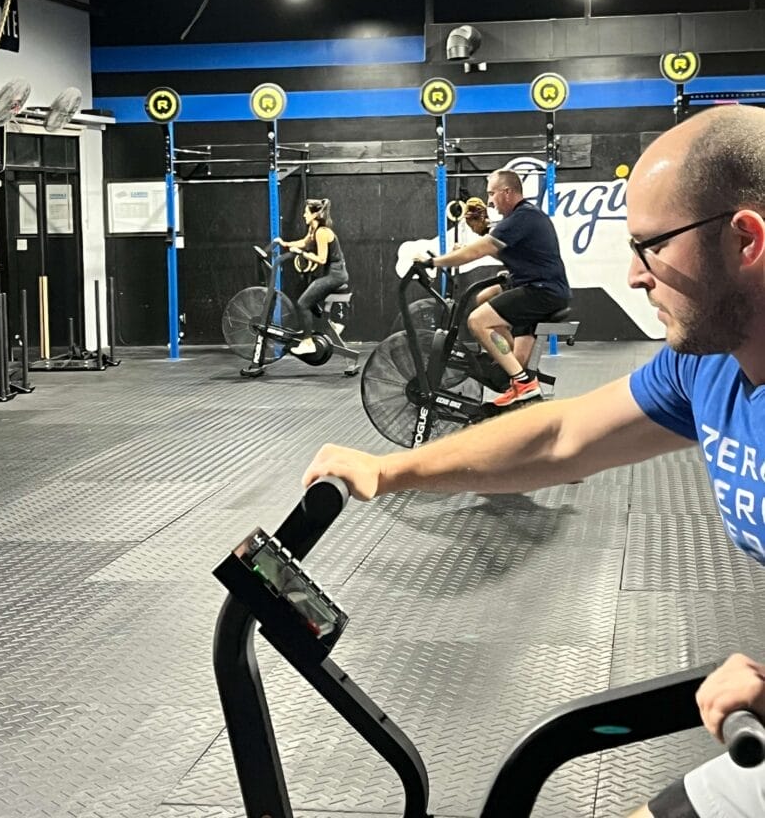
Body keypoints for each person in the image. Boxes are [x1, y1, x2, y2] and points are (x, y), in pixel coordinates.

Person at [304, 104, 765, 818]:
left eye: (651, 247)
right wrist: (392, 471)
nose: (636, 277)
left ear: (745, 240)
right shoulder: (709, 369)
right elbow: (561, 437)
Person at [418, 169, 571, 408]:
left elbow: (479, 251)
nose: (489, 201)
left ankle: (523, 385)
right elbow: (501, 249)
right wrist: (477, 236)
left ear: (507, 192)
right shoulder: (522, 218)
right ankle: (518, 375)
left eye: (492, 194)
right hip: (538, 287)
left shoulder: (523, 218)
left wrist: (433, 262)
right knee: (485, 296)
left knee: (478, 321)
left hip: (541, 291)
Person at [275, 198, 349, 355]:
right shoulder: (313, 230)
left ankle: (308, 343)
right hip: (333, 273)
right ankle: (332, 326)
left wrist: (302, 253)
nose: (303, 215)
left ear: (315, 214)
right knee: (308, 296)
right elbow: (304, 242)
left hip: (336, 275)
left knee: (303, 304)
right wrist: (285, 244)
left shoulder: (322, 232)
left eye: (306, 212)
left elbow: (321, 259)